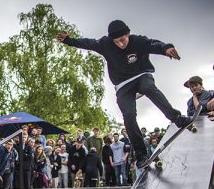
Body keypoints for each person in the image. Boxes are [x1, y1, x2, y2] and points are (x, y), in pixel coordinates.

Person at [57, 20, 192, 168]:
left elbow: (153, 44)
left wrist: (166, 48)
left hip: (141, 75)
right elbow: (88, 43)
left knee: (148, 87)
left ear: (128, 34)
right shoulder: (105, 44)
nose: (120, 44)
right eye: (116, 42)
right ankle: (140, 154)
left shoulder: (138, 41)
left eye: (122, 40)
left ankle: (176, 118)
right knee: (128, 114)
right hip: (122, 84)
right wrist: (69, 40)